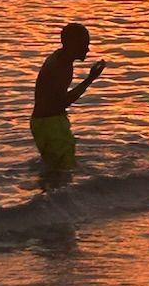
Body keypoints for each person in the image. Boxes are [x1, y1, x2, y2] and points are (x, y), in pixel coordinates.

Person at [30, 23, 105, 173]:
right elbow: (62, 102)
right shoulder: (62, 66)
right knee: (64, 171)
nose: (87, 49)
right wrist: (90, 79)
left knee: (53, 172)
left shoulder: (58, 58)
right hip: (52, 124)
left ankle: (50, 195)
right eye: (84, 44)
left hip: (42, 123)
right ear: (72, 44)